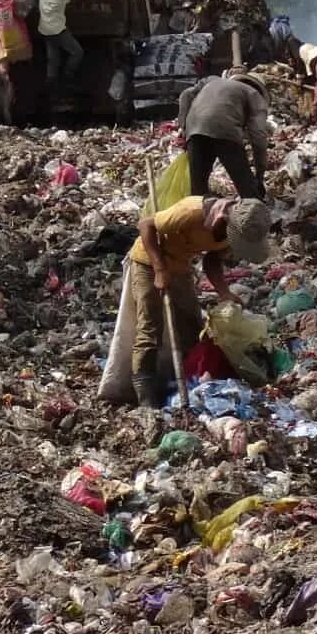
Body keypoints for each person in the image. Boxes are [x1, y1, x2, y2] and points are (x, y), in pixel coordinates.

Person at [123, 195, 268, 411]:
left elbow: (212, 259)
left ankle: (187, 382)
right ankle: (145, 397)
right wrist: (160, 269)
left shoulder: (230, 229)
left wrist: (224, 292)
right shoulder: (189, 212)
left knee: (192, 327)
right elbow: (145, 225)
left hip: (180, 266)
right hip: (149, 261)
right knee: (150, 328)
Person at [178, 71, 270, 199]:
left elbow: (186, 94)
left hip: (194, 129)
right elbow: (259, 138)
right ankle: (253, 212)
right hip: (225, 130)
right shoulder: (255, 96)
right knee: (247, 188)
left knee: (198, 190)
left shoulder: (212, 81)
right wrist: (259, 178)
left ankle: (199, 216)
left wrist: (183, 127)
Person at [37, 0, 82, 104]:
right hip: (58, 31)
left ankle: (51, 91)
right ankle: (68, 77)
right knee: (77, 52)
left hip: (44, 28)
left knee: (53, 60)